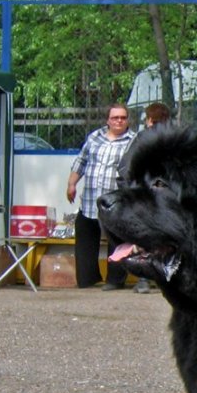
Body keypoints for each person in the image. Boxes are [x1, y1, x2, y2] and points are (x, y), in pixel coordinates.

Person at [66, 103, 136, 289]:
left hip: (115, 203)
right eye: (115, 118)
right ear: (108, 120)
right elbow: (81, 161)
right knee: (85, 237)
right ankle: (87, 279)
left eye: (122, 117)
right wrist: (71, 183)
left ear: (127, 120)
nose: (119, 121)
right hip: (89, 199)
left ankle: (114, 280)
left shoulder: (133, 140)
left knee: (117, 242)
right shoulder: (95, 137)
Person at [116, 102, 172, 294]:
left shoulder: (142, 138)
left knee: (144, 235)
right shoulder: (175, 139)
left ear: (149, 119)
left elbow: (124, 168)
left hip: (144, 198)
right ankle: (166, 277)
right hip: (168, 200)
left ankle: (143, 280)